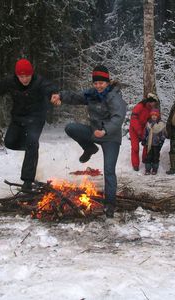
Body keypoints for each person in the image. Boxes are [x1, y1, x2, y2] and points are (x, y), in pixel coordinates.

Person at [51, 65, 127, 218]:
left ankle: (110, 205)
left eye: (102, 83)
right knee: (71, 128)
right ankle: (90, 148)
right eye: (96, 83)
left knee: (109, 170)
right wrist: (60, 96)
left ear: (107, 82)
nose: (98, 86)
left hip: (110, 137)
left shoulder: (114, 96)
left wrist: (105, 130)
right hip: (94, 133)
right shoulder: (92, 94)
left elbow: (118, 118)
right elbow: (76, 96)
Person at [0, 58, 58, 190]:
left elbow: (51, 87)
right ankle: (31, 150)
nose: (24, 79)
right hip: (18, 118)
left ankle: (27, 182)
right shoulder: (10, 82)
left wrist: (54, 95)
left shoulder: (39, 81)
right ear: (17, 75)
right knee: (10, 142)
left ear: (32, 74)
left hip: (36, 118)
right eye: (21, 76)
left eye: (27, 76)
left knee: (31, 142)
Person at [129, 93, 158, 171]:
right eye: (154, 102)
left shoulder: (151, 109)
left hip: (144, 129)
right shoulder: (139, 106)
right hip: (134, 129)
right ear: (150, 101)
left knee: (147, 145)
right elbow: (133, 119)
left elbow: (150, 119)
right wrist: (139, 131)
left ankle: (145, 159)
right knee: (135, 148)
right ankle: (135, 164)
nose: (154, 104)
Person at [142, 109, 166, 175]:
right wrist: (144, 139)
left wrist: (161, 141)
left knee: (155, 156)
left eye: (155, 115)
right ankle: (147, 169)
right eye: (152, 115)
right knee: (148, 156)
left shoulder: (161, 124)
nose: (154, 116)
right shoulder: (148, 123)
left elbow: (163, 134)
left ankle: (155, 169)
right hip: (149, 143)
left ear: (158, 116)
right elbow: (145, 132)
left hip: (157, 143)